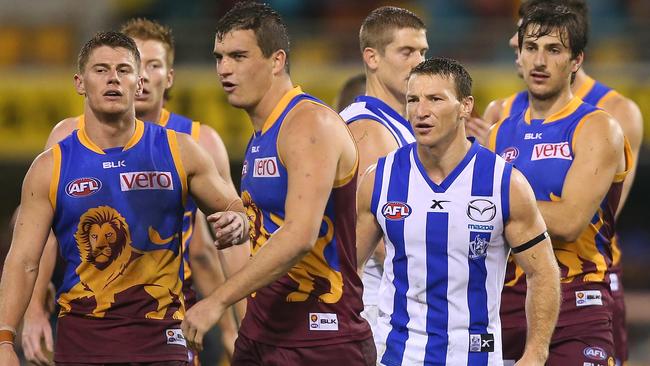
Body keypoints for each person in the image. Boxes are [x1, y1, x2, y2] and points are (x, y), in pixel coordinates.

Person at [0, 31, 248, 365]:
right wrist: (5, 341)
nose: (113, 78)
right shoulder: (50, 166)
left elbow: (234, 211)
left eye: (124, 70)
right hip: (82, 341)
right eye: (101, 70)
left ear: (138, 80)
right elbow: (24, 260)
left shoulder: (181, 151)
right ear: (80, 82)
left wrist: (238, 219)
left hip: (163, 339)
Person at [181, 2, 375, 364]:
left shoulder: (308, 124)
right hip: (264, 330)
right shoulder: (262, 131)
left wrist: (218, 301)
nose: (224, 69)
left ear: (276, 60)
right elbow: (278, 220)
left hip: (319, 338)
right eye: (219, 57)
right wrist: (246, 223)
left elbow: (300, 235)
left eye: (238, 56)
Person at [356, 57, 560, 365]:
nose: (421, 111)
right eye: (413, 100)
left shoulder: (504, 183)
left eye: (435, 99)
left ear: (465, 106)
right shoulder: (380, 179)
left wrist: (535, 353)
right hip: (397, 356)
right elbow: (345, 271)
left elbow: (542, 272)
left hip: (476, 356)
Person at [487, 4, 632, 364]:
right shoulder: (497, 133)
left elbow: (569, 221)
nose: (540, 60)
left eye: (554, 50)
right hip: (504, 306)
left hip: (577, 303)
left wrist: (493, 206)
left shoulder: (599, 127)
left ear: (576, 60)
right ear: (518, 53)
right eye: (531, 48)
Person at [338, 5, 427, 338]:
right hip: (378, 307)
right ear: (372, 58)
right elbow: (381, 238)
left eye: (423, 51)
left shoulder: (400, 125)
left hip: (394, 302)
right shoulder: (368, 128)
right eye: (406, 51)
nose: (420, 62)